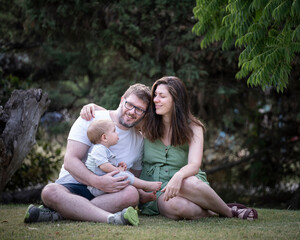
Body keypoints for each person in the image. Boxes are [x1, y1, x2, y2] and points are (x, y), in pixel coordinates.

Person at [80, 76, 258, 220]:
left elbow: (194, 165)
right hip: (155, 187)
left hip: (188, 182)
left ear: (176, 100)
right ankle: (215, 210)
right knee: (177, 207)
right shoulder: (147, 123)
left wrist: (178, 176)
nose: (155, 100)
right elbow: (122, 116)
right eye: (155, 95)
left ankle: (229, 213)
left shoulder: (194, 128)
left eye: (162, 96)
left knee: (186, 181)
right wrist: (94, 108)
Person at [24, 83, 155, 226]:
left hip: (107, 195)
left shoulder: (139, 140)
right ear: (122, 100)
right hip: (73, 185)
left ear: (145, 113)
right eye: (129, 104)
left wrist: (140, 193)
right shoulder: (92, 118)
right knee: (50, 192)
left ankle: (61, 213)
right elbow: (70, 161)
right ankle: (110, 218)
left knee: (131, 194)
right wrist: (97, 181)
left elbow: (133, 178)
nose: (132, 112)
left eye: (139, 109)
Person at [85, 119, 162, 197]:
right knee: (124, 176)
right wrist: (118, 170)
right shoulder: (98, 149)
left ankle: (142, 195)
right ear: (104, 137)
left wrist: (118, 166)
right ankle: (146, 186)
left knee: (127, 174)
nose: (117, 133)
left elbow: (106, 165)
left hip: (106, 181)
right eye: (114, 131)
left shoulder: (104, 149)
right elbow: (104, 166)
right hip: (97, 187)